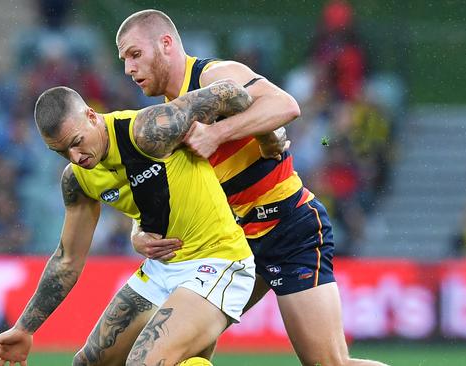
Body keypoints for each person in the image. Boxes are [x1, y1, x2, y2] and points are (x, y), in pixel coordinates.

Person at [116, 9, 387, 366]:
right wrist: (139, 231)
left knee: (329, 363)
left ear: (166, 44)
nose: (128, 69)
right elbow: (156, 189)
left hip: (289, 228)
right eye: (123, 60)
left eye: (134, 54)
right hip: (234, 245)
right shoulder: (166, 119)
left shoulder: (214, 75)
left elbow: (285, 105)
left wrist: (218, 133)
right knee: (179, 351)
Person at [0, 80, 256, 366]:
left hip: (218, 262)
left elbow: (227, 92)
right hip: (159, 271)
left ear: (91, 116)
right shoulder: (77, 179)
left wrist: (266, 135)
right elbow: (67, 261)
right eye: (61, 152)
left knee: (143, 362)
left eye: (76, 143)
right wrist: (25, 329)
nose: (75, 157)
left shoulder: (147, 130)